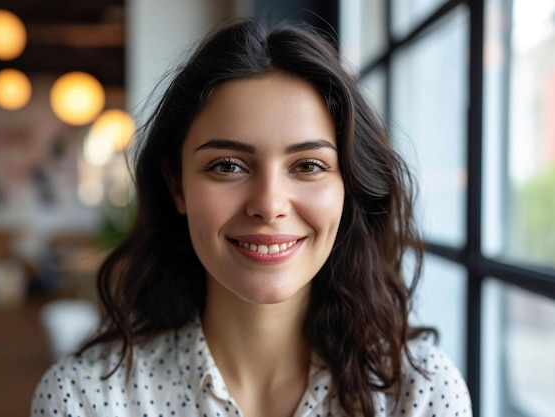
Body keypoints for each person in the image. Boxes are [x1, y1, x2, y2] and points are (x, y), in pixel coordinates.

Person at [30, 19, 472, 417]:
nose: (269, 203)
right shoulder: (86, 399)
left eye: (309, 166)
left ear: (349, 187)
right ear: (177, 186)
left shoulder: (421, 394)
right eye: (227, 165)